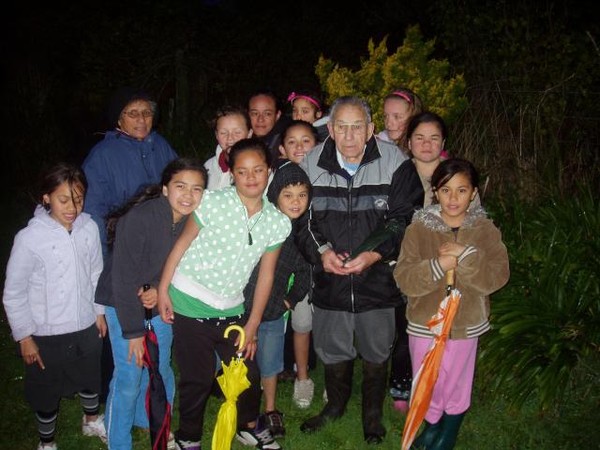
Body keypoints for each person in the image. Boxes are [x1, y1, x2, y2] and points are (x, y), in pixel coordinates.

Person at [296, 96, 423, 444]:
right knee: (333, 349)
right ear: (330, 129)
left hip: (378, 280)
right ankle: (334, 407)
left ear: (370, 129)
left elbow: (404, 217)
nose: (349, 136)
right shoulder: (310, 165)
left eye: (357, 127)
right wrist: (322, 254)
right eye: (342, 127)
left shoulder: (395, 162)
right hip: (330, 279)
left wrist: (374, 254)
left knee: (377, 350)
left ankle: (372, 415)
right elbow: (300, 220)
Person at [157, 138, 291, 450]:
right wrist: (164, 289)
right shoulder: (212, 202)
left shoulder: (276, 222)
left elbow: (266, 275)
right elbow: (181, 245)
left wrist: (253, 324)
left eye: (258, 169)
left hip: (231, 309)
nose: (251, 177)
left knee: (247, 372)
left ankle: (247, 425)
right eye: (242, 171)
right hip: (189, 303)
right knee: (198, 379)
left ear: (269, 171)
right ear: (231, 174)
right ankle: (189, 438)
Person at [394, 158, 509, 449]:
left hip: (465, 323)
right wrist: (439, 264)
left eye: (461, 190)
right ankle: (431, 426)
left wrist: (465, 254)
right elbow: (404, 278)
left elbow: (497, 275)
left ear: (473, 193)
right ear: (435, 192)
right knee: (427, 381)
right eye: (446, 191)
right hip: (425, 324)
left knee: (456, 380)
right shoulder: (418, 229)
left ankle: (449, 431)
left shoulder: (485, 230)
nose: (453, 198)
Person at [96, 158, 206, 450]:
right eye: (180, 186)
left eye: (197, 189)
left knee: (160, 367)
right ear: (165, 189)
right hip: (121, 304)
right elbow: (122, 277)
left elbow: (184, 263)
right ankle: (117, 440)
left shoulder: (193, 221)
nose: (188, 195)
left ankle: (156, 423)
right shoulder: (141, 218)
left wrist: (158, 288)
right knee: (129, 375)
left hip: (158, 301)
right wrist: (133, 332)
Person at [82, 87, 178, 402]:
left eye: (147, 112)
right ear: (119, 119)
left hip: (159, 252)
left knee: (156, 330)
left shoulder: (161, 145)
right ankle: (117, 395)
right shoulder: (102, 155)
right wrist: (108, 255)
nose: (141, 119)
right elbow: (94, 210)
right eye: (133, 113)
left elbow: (180, 187)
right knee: (123, 329)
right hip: (122, 250)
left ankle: (146, 401)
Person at [3, 163, 107, 450]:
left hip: (86, 322)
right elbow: (14, 291)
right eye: (64, 199)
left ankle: (91, 419)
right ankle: (46, 441)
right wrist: (25, 336)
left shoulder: (89, 227)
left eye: (78, 198)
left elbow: (97, 272)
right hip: (46, 332)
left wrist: (99, 311)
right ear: (46, 197)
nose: (73, 207)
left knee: (90, 375)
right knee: (45, 388)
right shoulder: (30, 238)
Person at [243, 161, 312, 438]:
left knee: (270, 364)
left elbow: (306, 274)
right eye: (288, 195)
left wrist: (289, 301)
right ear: (275, 196)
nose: (295, 202)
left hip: (272, 312)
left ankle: (270, 408)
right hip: (243, 306)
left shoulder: (303, 234)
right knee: (244, 362)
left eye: (302, 195)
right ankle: (240, 406)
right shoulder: (263, 223)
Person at [276, 120, 319, 408]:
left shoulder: (326, 175)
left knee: (327, 324)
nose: (300, 147)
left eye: (306, 140)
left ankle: (332, 378)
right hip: (293, 268)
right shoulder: (277, 180)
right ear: (282, 148)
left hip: (324, 263)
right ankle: (301, 377)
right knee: (301, 322)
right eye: (292, 141)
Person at [204, 105, 253, 190]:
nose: (230, 138)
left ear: (249, 134)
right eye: (223, 133)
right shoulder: (208, 166)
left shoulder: (259, 167)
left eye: (237, 132)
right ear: (216, 135)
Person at [248, 89, 293, 164]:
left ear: (277, 115)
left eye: (267, 114)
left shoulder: (288, 142)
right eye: (255, 113)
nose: (260, 119)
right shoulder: (240, 137)